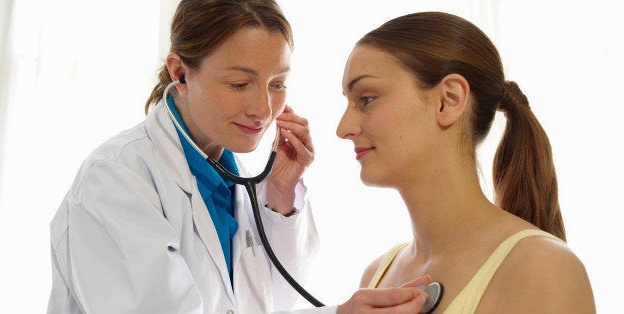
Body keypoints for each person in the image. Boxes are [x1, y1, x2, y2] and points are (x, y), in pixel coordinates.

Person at [47, 1, 429, 313]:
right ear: (180, 72)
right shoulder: (116, 179)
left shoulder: (239, 177)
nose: (264, 109)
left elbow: (273, 302)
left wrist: (280, 197)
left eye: (277, 84)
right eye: (239, 84)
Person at [337, 11, 596, 313]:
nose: (343, 128)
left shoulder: (545, 270)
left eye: (366, 99)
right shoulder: (377, 277)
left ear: (448, 99)